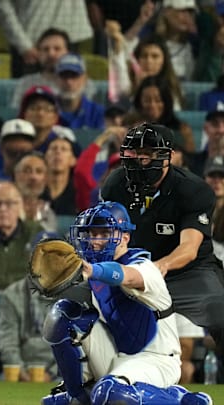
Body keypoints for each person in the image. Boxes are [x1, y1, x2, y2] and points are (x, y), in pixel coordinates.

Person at [40, 201, 211, 405]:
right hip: (119, 353)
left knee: (111, 394)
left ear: (125, 237)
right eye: (91, 234)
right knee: (62, 315)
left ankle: (181, 399)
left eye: (104, 234)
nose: (95, 240)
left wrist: (94, 271)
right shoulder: (93, 270)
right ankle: (77, 395)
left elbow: (128, 276)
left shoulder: (144, 266)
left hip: (157, 359)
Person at [101, 122, 224, 372]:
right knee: (85, 309)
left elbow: (189, 248)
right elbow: (108, 236)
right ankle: (89, 383)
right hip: (134, 269)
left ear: (166, 157)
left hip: (189, 272)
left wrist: (159, 267)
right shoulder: (115, 185)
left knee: (220, 312)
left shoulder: (193, 190)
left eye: (146, 153)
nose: (138, 160)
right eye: (133, 153)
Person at [54, 53, 105, 130]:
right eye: (64, 76)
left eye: (74, 76)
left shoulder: (97, 113)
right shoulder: (45, 112)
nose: (69, 82)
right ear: (56, 79)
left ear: (85, 78)